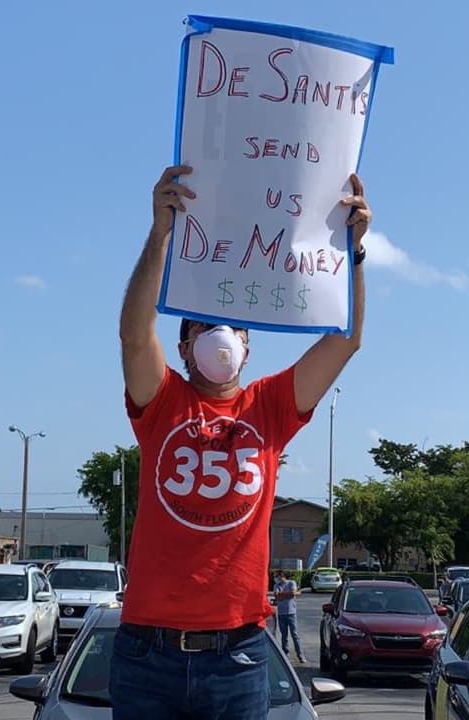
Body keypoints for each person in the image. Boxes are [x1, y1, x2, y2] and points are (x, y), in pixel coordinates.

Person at [110, 164, 372, 720]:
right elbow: (135, 333)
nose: (219, 335)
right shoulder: (163, 403)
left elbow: (345, 340)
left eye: (232, 327)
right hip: (146, 652)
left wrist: (354, 253)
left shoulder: (269, 407)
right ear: (183, 348)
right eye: (202, 325)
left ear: (249, 347)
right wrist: (159, 232)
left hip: (238, 655)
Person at [272, 570, 304, 663]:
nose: (276, 579)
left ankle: (300, 654)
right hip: (281, 613)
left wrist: (285, 595)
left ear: (282, 576)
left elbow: (293, 594)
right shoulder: (276, 586)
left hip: (291, 613)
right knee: (284, 636)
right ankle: (285, 655)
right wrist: (287, 595)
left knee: (295, 634)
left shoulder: (291, 583)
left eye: (276, 577)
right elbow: (277, 596)